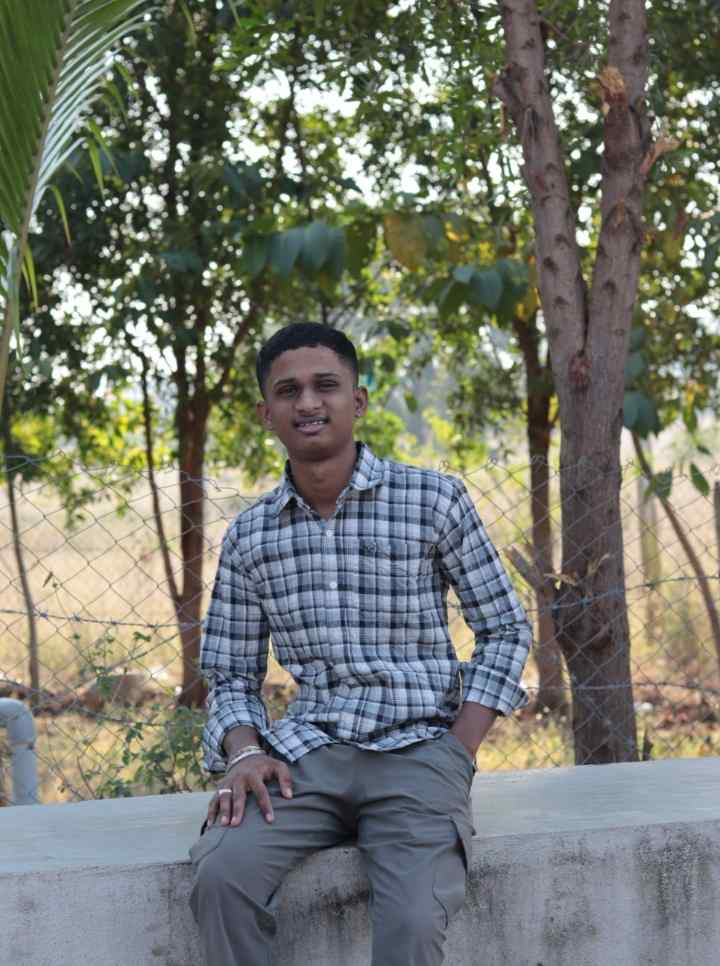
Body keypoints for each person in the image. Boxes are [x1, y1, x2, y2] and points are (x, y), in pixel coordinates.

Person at [189, 322, 532, 966]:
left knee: (412, 920)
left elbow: (505, 629)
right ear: (267, 415)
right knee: (221, 878)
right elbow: (231, 673)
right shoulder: (251, 535)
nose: (308, 403)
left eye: (326, 385)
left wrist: (458, 749)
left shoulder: (432, 500)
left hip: (420, 749)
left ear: (359, 400)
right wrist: (244, 753)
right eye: (288, 391)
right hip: (304, 758)